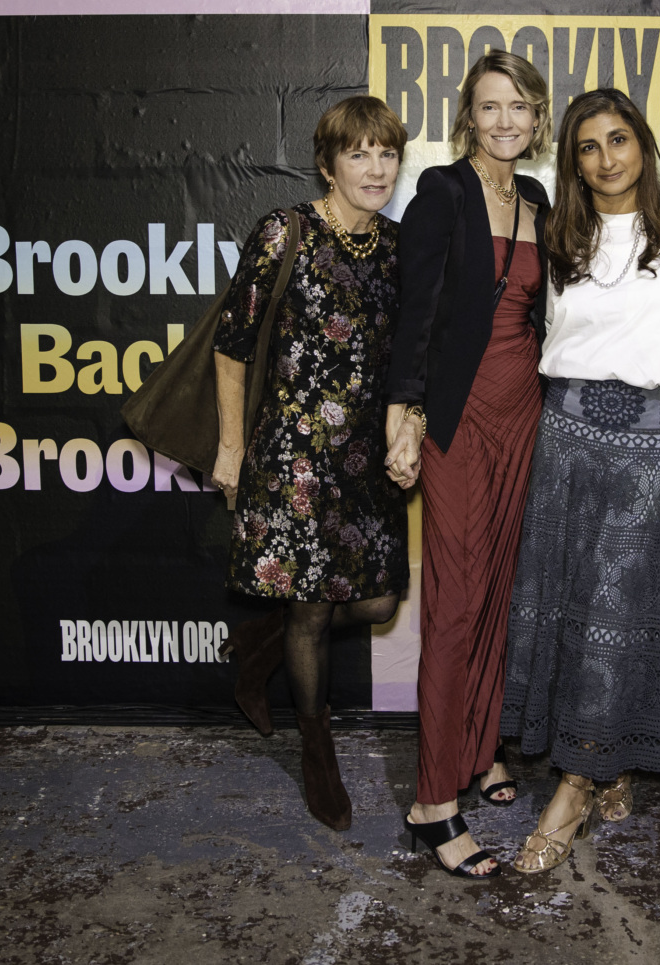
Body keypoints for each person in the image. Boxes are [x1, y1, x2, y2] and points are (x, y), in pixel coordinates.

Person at [501, 88, 660, 873]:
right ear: (572, 160)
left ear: (643, 142)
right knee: (575, 612)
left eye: (619, 139)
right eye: (587, 146)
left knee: (612, 613)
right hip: (564, 436)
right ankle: (609, 764)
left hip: (648, 446)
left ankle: (572, 790)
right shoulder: (557, 229)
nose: (606, 158)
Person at [214, 95, 408, 833]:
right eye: (358, 152)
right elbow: (232, 345)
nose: (375, 166)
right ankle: (317, 746)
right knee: (309, 604)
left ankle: (257, 652)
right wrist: (232, 446)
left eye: (386, 151)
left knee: (376, 601)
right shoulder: (284, 231)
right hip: (293, 453)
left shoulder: (395, 247)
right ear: (327, 163)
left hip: (364, 463)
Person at [384, 50, 551, 879]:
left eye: (519, 106)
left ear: (537, 116)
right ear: (468, 117)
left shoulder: (538, 199)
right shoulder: (442, 194)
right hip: (459, 420)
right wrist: (403, 415)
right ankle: (431, 801)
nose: (505, 121)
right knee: (454, 600)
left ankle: (480, 748)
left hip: (529, 416)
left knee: (500, 595)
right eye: (490, 107)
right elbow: (415, 317)